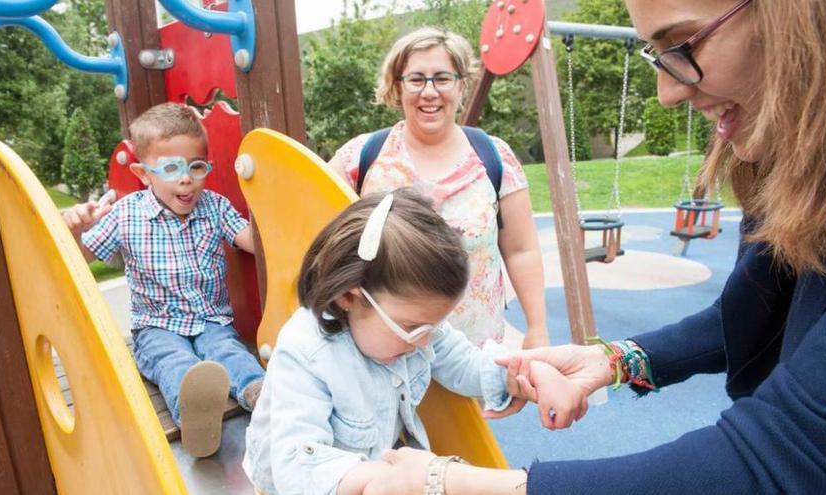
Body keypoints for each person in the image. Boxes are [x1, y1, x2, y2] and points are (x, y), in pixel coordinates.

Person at [359, 0, 826, 493]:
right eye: (656, 54)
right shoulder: (789, 171)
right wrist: (613, 360)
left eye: (682, 44)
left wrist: (453, 484)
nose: (666, 91)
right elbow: (749, 314)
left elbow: (784, 455)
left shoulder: (491, 156)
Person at [242, 189, 589, 495]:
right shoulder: (306, 354)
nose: (426, 342)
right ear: (350, 298)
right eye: (412, 328)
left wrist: (533, 376)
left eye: (433, 326)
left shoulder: (415, 330)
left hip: (385, 468)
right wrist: (395, 479)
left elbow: (469, 365)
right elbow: (297, 468)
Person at [62, 102, 264, 458]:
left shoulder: (213, 206)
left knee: (227, 351)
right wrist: (75, 231)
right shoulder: (127, 214)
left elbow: (252, 240)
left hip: (212, 322)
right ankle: (194, 415)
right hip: (157, 327)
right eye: (171, 168)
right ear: (143, 172)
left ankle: (259, 396)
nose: (186, 179)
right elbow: (81, 258)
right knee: (173, 361)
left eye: (196, 167)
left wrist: (271, 203)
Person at [328, 27, 548, 349]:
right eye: (416, 79)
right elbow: (322, 241)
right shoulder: (360, 159)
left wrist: (537, 329)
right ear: (397, 86)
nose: (429, 92)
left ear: (461, 85)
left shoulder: (494, 157)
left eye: (442, 78)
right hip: (383, 359)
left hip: (475, 354)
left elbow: (521, 250)